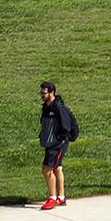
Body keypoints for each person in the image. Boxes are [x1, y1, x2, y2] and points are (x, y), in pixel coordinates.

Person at [37, 81, 77, 210]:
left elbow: (65, 128)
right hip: (51, 143)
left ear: (52, 92)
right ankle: (61, 196)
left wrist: (58, 140)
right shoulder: (46, 107)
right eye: (41, 93)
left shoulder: (59, 108)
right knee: (57, 168)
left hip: (57, 144)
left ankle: (52, 198)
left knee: (46, 169)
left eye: (44, 93)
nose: (42, 96)